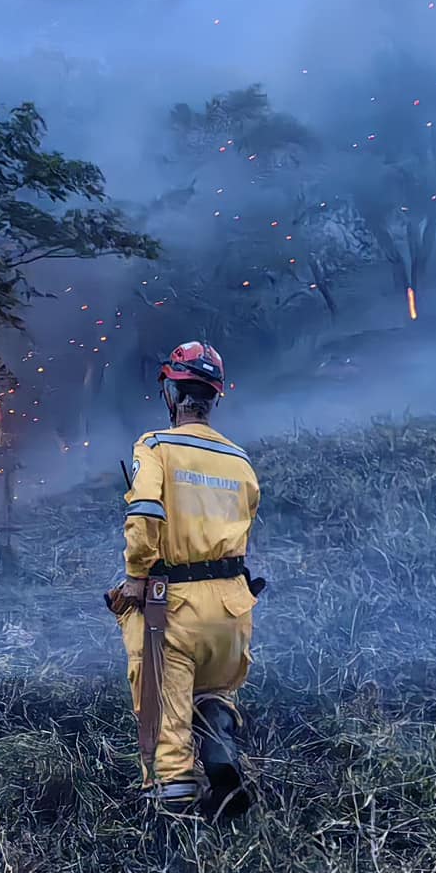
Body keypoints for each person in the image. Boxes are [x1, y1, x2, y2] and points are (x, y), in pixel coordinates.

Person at [110, 341, 261, 821]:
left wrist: (137, 576)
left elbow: (146, 511)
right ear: (215, 397)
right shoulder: (240, 460)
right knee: (212, 689)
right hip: (233, 609)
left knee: (164, 729)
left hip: (171, 606)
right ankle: (217, 728)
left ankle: (174, 855)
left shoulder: (154, 446)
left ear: (172, 394)